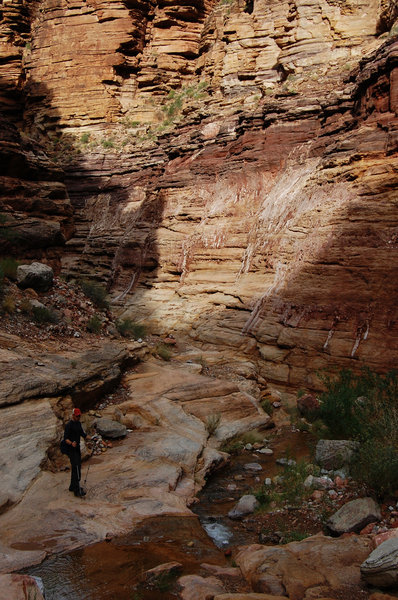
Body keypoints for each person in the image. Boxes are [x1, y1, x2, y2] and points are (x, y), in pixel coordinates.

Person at [63, 407, 87, 497]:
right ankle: (77, 491)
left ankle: (72, 486)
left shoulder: (78, 424)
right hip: (71, 449)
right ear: (73, 415)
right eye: (77, 416)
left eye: (79, 416)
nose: (78, 417)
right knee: (76, 468)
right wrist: (71, 443)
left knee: (77, 467)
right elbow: (66, 438)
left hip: (77, 448)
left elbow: (83, 434)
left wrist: (92, 438)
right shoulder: (69, 425)